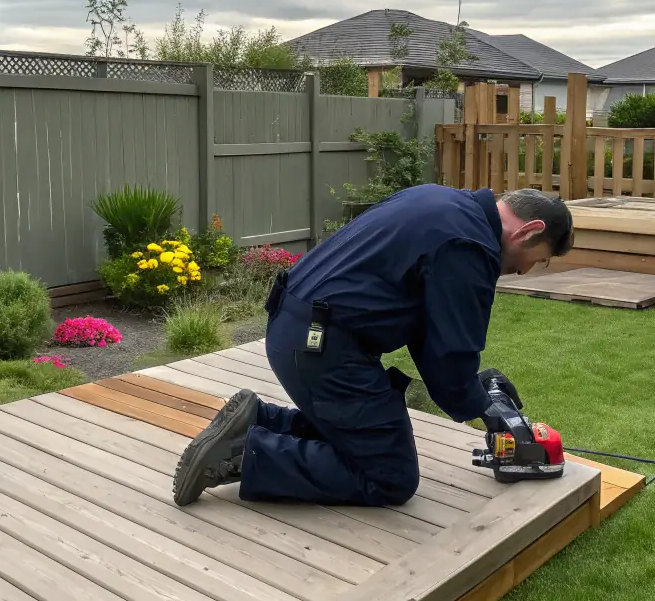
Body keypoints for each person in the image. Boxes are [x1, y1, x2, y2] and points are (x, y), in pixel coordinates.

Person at [171, 185, 573, 507]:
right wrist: (482, 408)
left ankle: (262, 418)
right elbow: (450, 353)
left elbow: (430, 330)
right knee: (389, 476)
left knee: (366, 434)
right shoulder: (470, 247)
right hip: (324, 349)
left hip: (300, 332)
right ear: (528, 230)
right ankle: (246, 452)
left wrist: (474, 385)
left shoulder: (438, 200)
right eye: (536, 259)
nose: (523, 270)